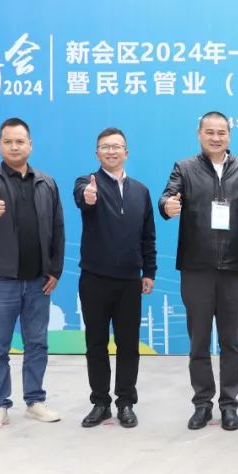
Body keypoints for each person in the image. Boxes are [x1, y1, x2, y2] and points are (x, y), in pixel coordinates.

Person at [158, 111, 238, 431]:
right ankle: (202, 404)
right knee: (199, 342)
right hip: (196, 269)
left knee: (231, 342)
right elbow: (167, 196)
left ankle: (229, 405)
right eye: (210, 132)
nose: (215, 138)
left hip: (233, 271)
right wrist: (167, 206)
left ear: (229, 135)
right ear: (199, 134)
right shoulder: (184, 168)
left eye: (221, 132)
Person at [0, 117, 65, 431]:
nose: (14, 147)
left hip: (39, 281)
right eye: (8, 141)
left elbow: (58, 229)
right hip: (1, 281)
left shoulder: (46, 182)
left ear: (30, 145)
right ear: (0, 145)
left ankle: (35, 401)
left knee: (37, 344)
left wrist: (55, 270)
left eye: (20, 141)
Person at [74, 127, 156, 429]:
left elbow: (148, 235)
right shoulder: (87, 183)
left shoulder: (141, 191)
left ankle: (125, 402)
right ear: (97, 153)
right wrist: (88, 195)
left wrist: (149, 272)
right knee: (96, 344)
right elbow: (82, 198)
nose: (111, 151)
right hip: (94, 279)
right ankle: (100, 402)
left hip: (129, 281)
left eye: (116, 146)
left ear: (126, 152)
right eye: (105, 147)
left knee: (128, 344)